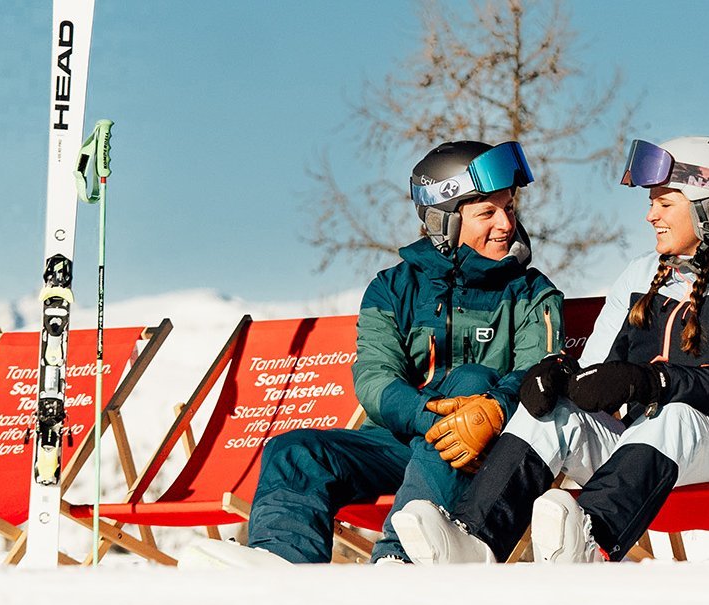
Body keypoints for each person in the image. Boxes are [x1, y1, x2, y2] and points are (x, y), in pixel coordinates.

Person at [391, 136, 709, 564]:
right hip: (641, 447)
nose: (650, 214)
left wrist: (651, 382)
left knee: (675, 415)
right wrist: (561, 376)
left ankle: (592, 540)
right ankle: (476, 540)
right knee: (552, 415)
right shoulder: (641, 274)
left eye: (664, 203)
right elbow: (596, 373)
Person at [191, 140, 565, 565]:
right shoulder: (392, 288)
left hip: (485, 452)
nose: (506, 224)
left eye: (509, 208)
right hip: (396, 442)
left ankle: (398, 560)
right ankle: (282, 561)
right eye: (487, 212)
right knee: (295, 450)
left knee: (473, 380)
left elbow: (542, 370)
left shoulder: (533, 293)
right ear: (444, 221)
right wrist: (434, 417)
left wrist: (492, 409)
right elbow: (375, 380)